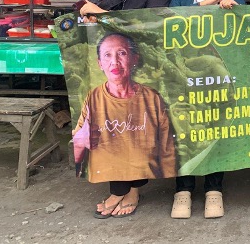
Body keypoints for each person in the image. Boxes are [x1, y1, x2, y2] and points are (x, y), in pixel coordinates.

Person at [77, 0, 172, 217]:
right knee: (110, 127)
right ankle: (119, 190)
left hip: (139, 67)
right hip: (109, 65)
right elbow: (82, 5)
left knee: (136, 127)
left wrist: (102, 12)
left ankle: (132, 190)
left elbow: (144, 26)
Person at [169, 0, 243, 219]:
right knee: (184, 129)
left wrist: (233, 11)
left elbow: (248, 28)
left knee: (214, 127)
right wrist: (205, 8)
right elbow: (167, 24)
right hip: (184, 72)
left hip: (218, 74)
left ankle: (214, 189)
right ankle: (183, 189)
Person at [72, 32, 177, 219]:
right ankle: (119, 191)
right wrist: (81, 141)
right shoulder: (94, 97)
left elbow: (166, 147)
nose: (114, 62)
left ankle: (132, 191)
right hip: (110, 163)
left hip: (142, 164)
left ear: (134, 58)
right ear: (99, 63)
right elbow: (80, 141)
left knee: (139, 142)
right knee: (114, 143)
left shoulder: (151, 97)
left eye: (122, 53)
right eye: (107, 55)